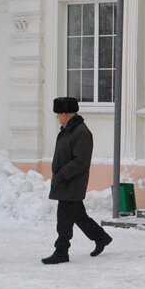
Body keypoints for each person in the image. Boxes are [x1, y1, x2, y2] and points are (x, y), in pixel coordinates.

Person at [42, 97, 111, 264]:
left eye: (59, 114)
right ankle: (101, 237)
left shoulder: (81, 132)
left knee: (64, 220)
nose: (57, 117)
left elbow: (80, 161)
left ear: (66, 113)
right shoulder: (67, 130)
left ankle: (61, 251)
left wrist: (61, 175)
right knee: (79, 216)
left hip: (72, 183)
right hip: (66, 182)